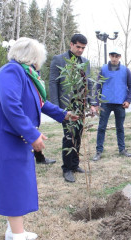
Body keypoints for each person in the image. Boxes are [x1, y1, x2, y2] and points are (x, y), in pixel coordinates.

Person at [0, 37, 78, 240]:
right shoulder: (11, 73)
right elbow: (11, 106)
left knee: (17, 186)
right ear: (33, 57)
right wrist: (33, 135)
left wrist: (63, 114)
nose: (41, 63)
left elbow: (40, 102)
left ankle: (13, 232)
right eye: (40, 58)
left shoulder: (25, 74)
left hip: (15, 139)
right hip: (6, 140)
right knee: (13, 186)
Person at [49, 34, 96, 182]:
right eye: (78, 47)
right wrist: (57, 109)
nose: (80, 50)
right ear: (71, 44)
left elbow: (88, 84)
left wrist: (92, 103)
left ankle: (75, 165)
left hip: (80, 106)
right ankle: (67, 168)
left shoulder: (85, 62)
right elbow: (53, 84)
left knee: (78, 135)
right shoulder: (59, 60)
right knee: (69, 136)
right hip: (66, 106)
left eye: (83, 48)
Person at [92, 48, 131, 161]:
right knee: (101, 127)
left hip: (120, 104)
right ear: (110, 56)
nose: (114, 58)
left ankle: (122, 149)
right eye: (112, 56)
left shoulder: (126, 70)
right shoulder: (104, 69)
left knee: (120, 127)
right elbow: (98, 86)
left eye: (117, 56)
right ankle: (99, 151)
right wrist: (96, 102)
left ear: (120, 57)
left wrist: (128, 100)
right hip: (105, 103)